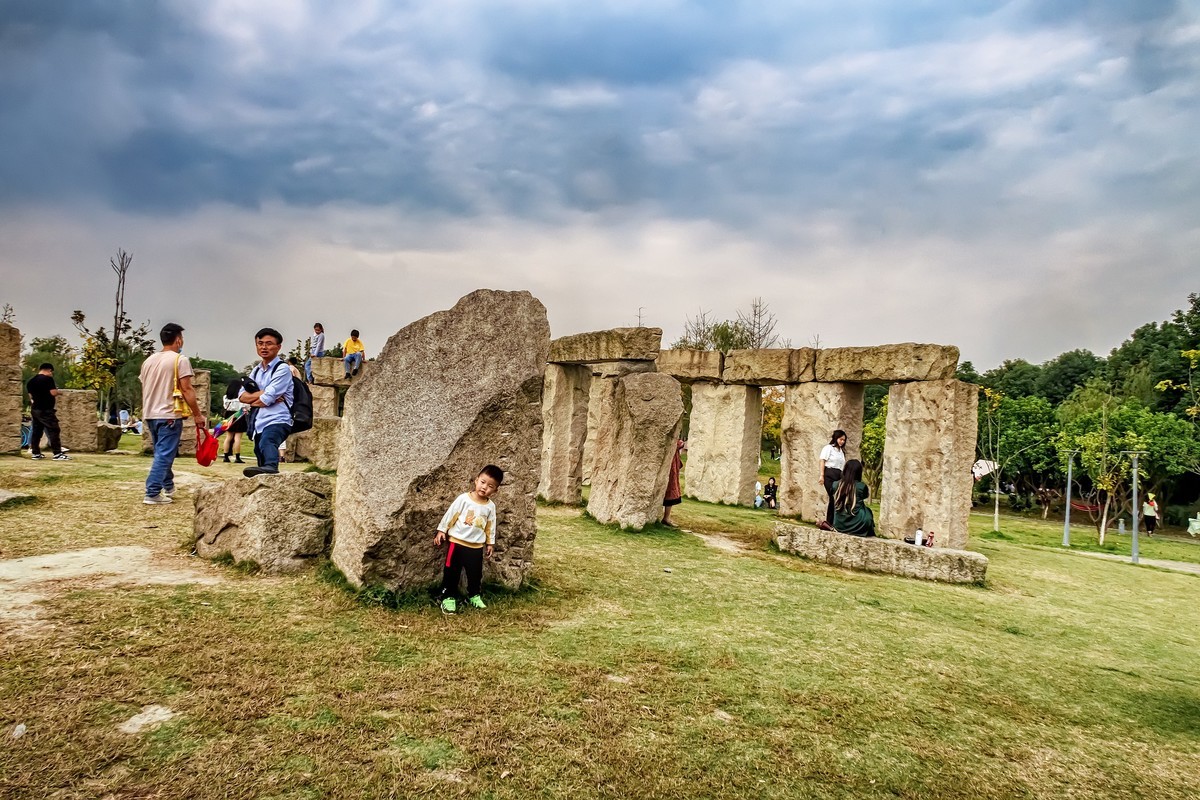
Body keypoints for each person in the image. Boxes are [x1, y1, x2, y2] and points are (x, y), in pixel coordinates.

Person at [139, 323, 206, 504]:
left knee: (162, 452)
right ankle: (152, 492)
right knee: (165, 453)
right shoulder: (179, 360)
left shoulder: (148, 361)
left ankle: (168, 485)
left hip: (151, 413)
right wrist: (197, 414)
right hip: (169, 413)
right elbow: (187, 389)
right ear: (178, 340)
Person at [435, 465, 504, 615]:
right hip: (457, 543)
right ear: (476, 480)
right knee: (452, 571)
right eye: (483, 482)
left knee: (475, 574)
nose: (485, 487)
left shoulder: (490, 507)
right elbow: (451, 514)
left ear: (496, 490)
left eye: (490, 486)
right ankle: (448, 597)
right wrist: (442, 530)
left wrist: (490, 542)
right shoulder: (464, 499)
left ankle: (474, 595)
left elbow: (490, 526)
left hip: (476, 547)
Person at [239, 327, 294, 477]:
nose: (264, 347)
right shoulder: (255, 371)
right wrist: (264, 394)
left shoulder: (282, 369)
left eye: (269, 343)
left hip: (278, 419)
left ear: (278, 347)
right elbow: (241, 396)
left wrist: (260, 398)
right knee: (259, 452)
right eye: (260, 343)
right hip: (258, 422)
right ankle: (266, 477)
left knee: (268, 442)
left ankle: (272, 466)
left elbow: (265, 400)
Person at [26, 363, 69, 461]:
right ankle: (57, 453)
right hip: (46, 409)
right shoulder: (47, 379)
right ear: (49, 370)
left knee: (36, 432)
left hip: (35, 409)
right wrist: (59, 392)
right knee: (54, 430)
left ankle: (35, 453)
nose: (51, 374)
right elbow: (53, 392)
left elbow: (31, 396)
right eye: (51, 372)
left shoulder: (31, 381)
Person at [831, 459, 875, 537]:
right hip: (858, 525)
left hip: (839, 524)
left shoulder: (835, 485)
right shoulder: (861, 486)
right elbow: (865, 495)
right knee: (868, 512)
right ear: (859, 472)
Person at [818, 429, 848, 526]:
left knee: (837, 498)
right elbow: (822, 460)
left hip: (839, 475)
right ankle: (830, 521)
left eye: (843, 440)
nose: (842, 442)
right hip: (829, 473)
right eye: (840, 439)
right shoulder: (828, 448)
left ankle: (833, 521)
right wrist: (822, 475)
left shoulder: (841, 452)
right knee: (833, 496)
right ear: (836, 438)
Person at [221, 378, 248, 463]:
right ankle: (237, 457)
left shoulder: (225, 397)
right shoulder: (241, 397)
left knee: (228, 437)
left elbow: (225, 407)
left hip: (228, 416)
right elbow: (246, 407)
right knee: (237, 437)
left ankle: (226, 456)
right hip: (239, 415)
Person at [662, 439, 685, 526]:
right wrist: (680, 443)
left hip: (672, 464)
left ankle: (666, 517)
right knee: (670, 491)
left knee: (670, 491)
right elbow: (675, 444)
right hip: (669, 466)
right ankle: (665, 518)